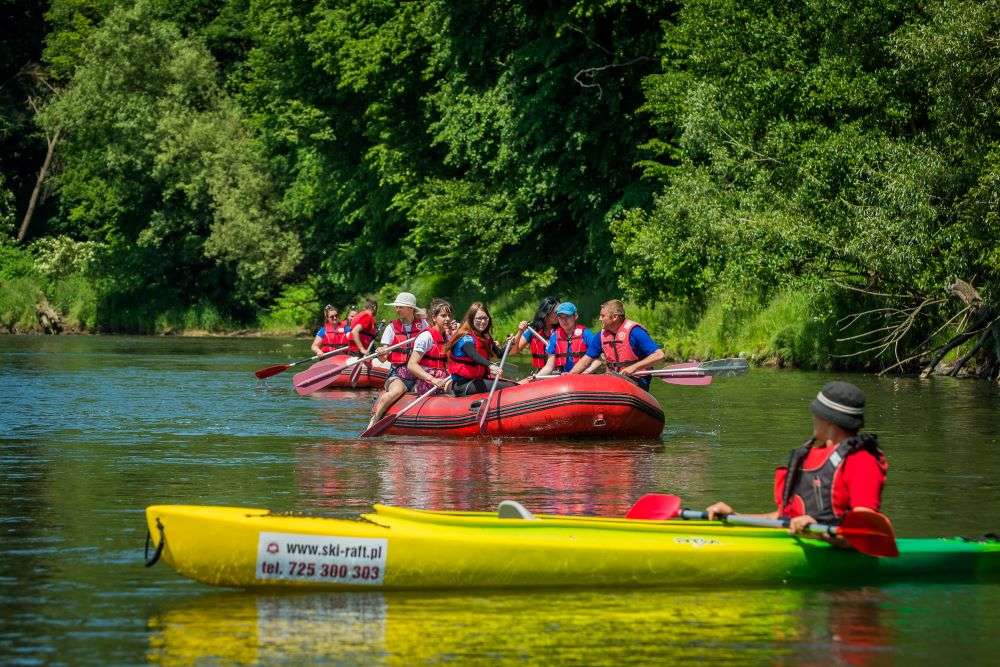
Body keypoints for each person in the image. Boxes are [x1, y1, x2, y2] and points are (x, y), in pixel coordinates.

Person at [705, 381, 887, 540]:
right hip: (801, 540)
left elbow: (865, 531)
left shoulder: (861, 460)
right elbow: (783, 517)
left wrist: (821, 534)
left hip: (837, 551)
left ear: (829, 419)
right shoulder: (810, 457)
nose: (813, 417)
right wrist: (736, 517)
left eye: (816, 413)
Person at [569, 299, 664, 390]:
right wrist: (570, 375)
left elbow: (659, 355)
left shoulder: (635, 332)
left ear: (615, 317)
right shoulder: (601, 336)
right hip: (613, 380)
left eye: (603, 316)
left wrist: (633, 368)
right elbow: (586, 360)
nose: (600, 319)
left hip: (637, 380)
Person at [369, 293, 428, 424]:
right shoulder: (391, 328)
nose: (396, 310)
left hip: (419, 372)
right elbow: (384, 359)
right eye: (396, 307)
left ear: (410, 309)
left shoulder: (423, 325)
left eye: (400, 307)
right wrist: (380, 351)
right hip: (398, 374)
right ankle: (375, 420)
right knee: (396, 391)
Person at [447, 302, 525, 396]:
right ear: (471, 319)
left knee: (513, 385)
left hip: (479, 380)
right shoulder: (465, 337)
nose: (483, 321)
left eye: (485, 318)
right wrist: (490, 365)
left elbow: (500, 354)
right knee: (510, 387)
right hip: (463, 384)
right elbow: (473, 355)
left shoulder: (485, 336)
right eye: (479, 318)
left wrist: (513, 339)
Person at [534, 302, 600, 376]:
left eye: (567, 316)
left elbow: (597, 361)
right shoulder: (554, 337)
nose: (564, 320)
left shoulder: (586, 334)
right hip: (564, 378)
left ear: (575, 316)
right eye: (560, 317)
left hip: (584, 376)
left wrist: (586, 372)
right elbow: (549, 366)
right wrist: (536, 377)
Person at [513, 296, 559, 371]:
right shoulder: (533, 330)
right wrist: (520, 332)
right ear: (546, 312)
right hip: (540, 375)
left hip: (560, 374)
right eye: (556, 312)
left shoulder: (564, 329)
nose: (559, 314)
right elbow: (514, 351)